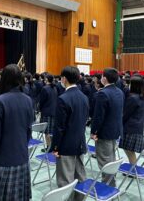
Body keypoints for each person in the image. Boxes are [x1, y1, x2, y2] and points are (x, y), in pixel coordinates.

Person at [0, 64, 34, 201]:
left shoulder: (0, 101)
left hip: (3, 159)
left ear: (4, 79)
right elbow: (29, 130)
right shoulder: (28, 100)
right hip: (22, 156)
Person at [50, 66, 89, 201]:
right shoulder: (84, 97)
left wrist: (55, 147)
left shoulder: (63, 98)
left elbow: (59, 127)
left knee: (65, 180)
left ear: (64, 79)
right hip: (80, 142)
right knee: (80, 176)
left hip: (66, 145)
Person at [91, 68, 124, 186]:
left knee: (105, 161)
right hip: (115, 130)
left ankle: (108, 186)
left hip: (104, 132)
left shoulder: (103, 93)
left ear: (104, 78)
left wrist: (94, 131)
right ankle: (111, 183)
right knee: (111, 157)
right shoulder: (120, 92)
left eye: (101, 76)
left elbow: (98, 116)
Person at [119, 76, 144, 164]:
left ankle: (133, 170)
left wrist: (119, 124)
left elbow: (125, 114)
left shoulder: (133, 98)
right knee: (130, 151)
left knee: (129, 151)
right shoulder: (141, 97)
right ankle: (133, 169)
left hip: (130, 128)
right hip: (138, 127)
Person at [39, 74, 58, 150]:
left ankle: (48, 147)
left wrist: (40, 109)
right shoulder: (54, 88)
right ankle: (51, 146)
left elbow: (42, 101)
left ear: (46, 79)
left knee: (47, 131)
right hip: (53, 111)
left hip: (46, 112)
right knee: (51, 131)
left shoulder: (45, 88)